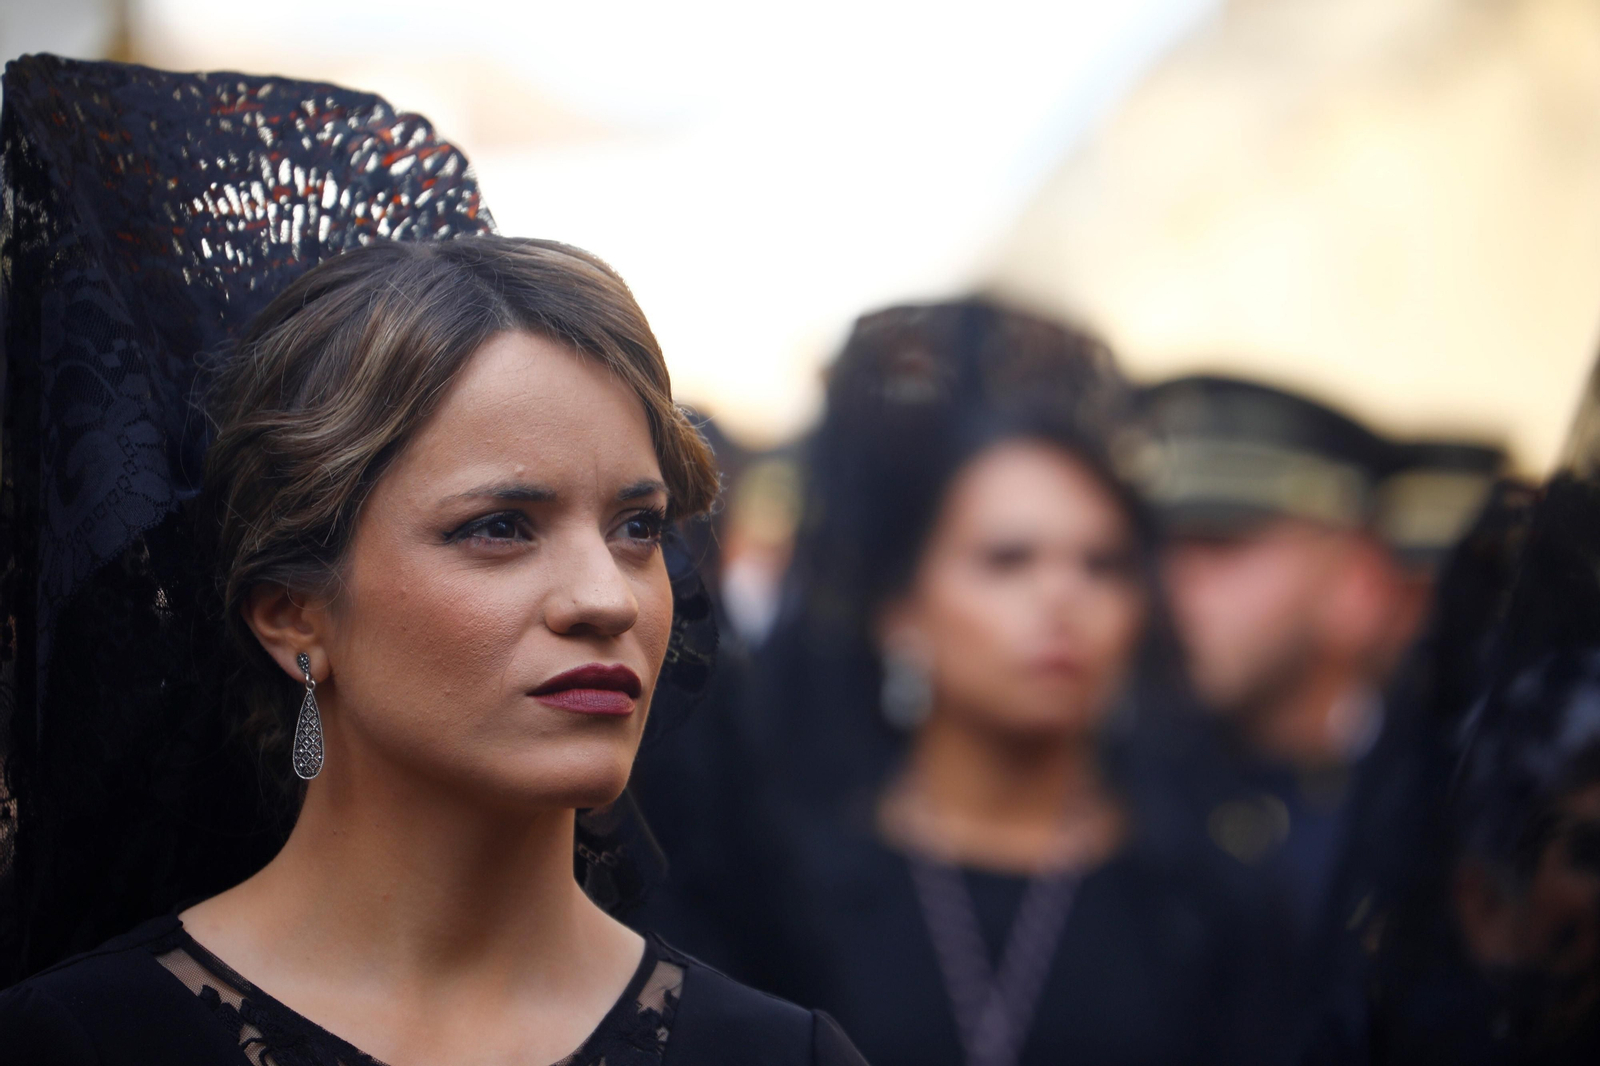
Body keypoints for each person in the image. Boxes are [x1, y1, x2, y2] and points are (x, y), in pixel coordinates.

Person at [0, 57, 865, 1065]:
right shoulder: (78, 1046)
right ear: (292, 612)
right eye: (500, 526)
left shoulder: (775, 1054)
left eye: (636, 527)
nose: (604, 598)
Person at [675, 302, 1280, 1066]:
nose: (1064, 601)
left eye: (1103, 564)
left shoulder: (1209, 904)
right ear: (901, 612)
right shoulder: (795, 893)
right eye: (1007, 560)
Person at [1133, 375, 1445, 935]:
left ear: (1357, 582)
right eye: (1155, 546)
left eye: (1220, 542)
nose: (1172, 584)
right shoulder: (1115, 799)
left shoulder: (1446, 801)